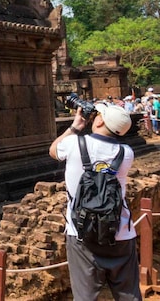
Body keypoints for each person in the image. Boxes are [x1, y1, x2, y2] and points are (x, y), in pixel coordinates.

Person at [49, 102, 140, 300]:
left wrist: (75, 126)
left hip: (81, 232)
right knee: (129, 295)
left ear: (99, 120)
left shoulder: (73, 144)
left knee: (85, 297)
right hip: (120, 232)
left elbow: (53, 149)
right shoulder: (126, 153)